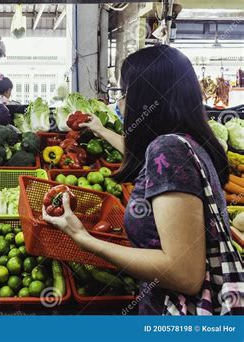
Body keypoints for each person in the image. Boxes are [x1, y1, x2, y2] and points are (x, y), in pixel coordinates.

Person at [43, 45, 243, 315]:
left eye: (122, 92)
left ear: (143, 97)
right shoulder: (190, 142)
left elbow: (185, 274)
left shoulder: (169, 149)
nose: (120, 102)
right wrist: (102, 131)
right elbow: (152, 164)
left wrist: (83, 238)